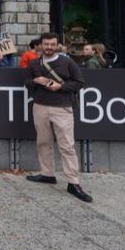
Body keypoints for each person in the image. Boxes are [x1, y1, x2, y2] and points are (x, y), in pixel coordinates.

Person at [24, 32, 92, 203]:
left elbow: (79, 83)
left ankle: (73, 182)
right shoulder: (34, 63)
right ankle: (47, 174)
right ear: (40, 45)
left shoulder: (67, 62)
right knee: (43, 142)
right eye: (46, 44)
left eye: (52, 44)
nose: (49, 47)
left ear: (57, 46)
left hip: (62, 108)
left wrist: (60, 86)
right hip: (40, 106)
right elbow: (27, 83)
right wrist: (36, 82)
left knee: (67, 146)